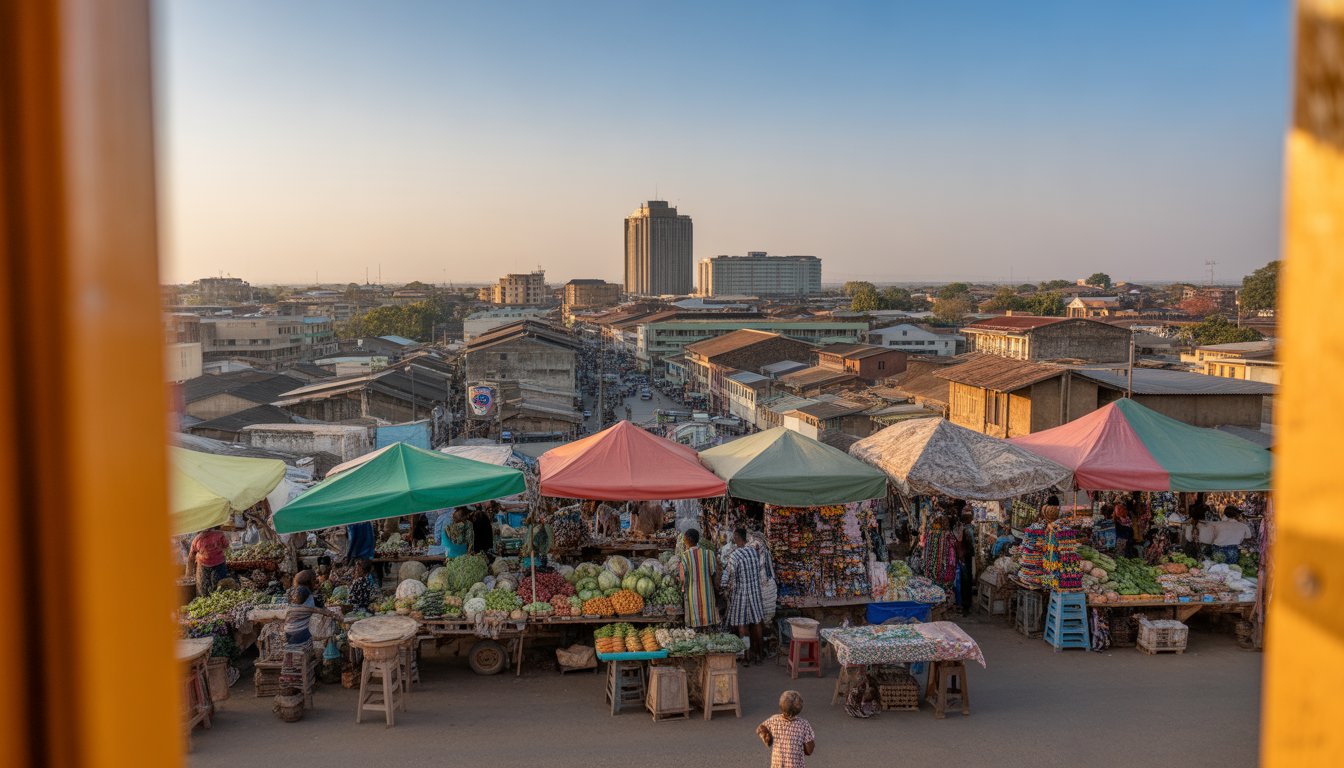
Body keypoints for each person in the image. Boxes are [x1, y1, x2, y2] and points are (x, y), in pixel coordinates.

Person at [722, 528, 765, 664]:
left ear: (736, 537)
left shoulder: (734, 556)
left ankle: (745, 656)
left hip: (741, 594)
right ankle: (758, 655)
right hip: (755, 593)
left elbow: (726, 576)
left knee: (742, 625)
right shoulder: (753, 552)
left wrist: (722, 586)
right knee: (757, 622)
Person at [757, 690, 816, 768]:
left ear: (780, 706)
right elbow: (809, 751)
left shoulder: (774, 720)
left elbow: (760, 728)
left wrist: (767, 738)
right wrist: (810, 742)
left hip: (777, 765)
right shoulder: (803, 724)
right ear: (800, 708)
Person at [677, 528, 718, 629]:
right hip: (708, 593)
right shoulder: (709, 554)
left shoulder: (685, 556)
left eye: (685, 538)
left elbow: (683, 578)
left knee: (696, 622)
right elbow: (714, 574)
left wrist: (680, 585)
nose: (684, 540)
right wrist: (715, 590)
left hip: (693, 595)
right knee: (709, 623)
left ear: (689, 539)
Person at [188, 526, 231, 597]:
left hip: (207, 564)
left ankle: (208, 598)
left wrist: (189, 572)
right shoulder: (219, 534)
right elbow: (226, 546)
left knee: (204, 587)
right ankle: (219, 597)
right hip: (217, 563)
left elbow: (191, 557)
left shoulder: (196, 539)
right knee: (220, 585)